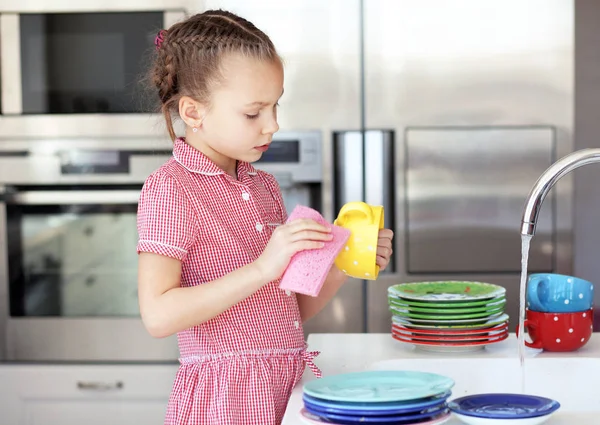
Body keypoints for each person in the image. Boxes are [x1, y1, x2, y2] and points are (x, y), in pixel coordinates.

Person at [136, 9, 394, 425]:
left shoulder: (262, 186)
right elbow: (158, 316)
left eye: (275, 106)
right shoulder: (171, 189)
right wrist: (262, 267)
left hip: (286, 386)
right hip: (226, 401)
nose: (272, 125)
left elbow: (284, 309)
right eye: (253, 113)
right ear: (194, 113)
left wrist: (344, 263)